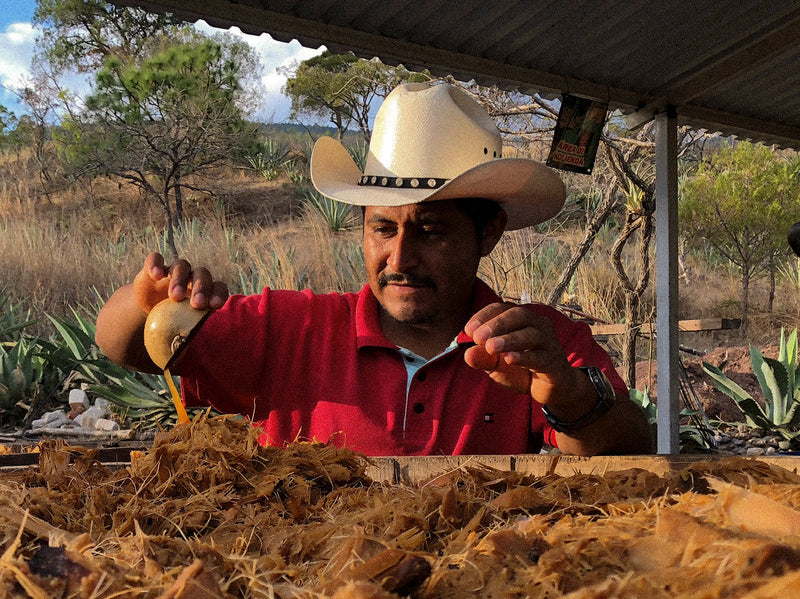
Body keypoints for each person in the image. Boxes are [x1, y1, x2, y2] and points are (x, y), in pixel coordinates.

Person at [95, 82, 653, 457]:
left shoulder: (539, 342)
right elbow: (125, 346)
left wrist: (567, 395)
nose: (401, 259)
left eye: (431, 231)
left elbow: (631, 450)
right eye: (383, 229)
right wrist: (147, 298)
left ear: (488, 233)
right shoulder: (289, 327)